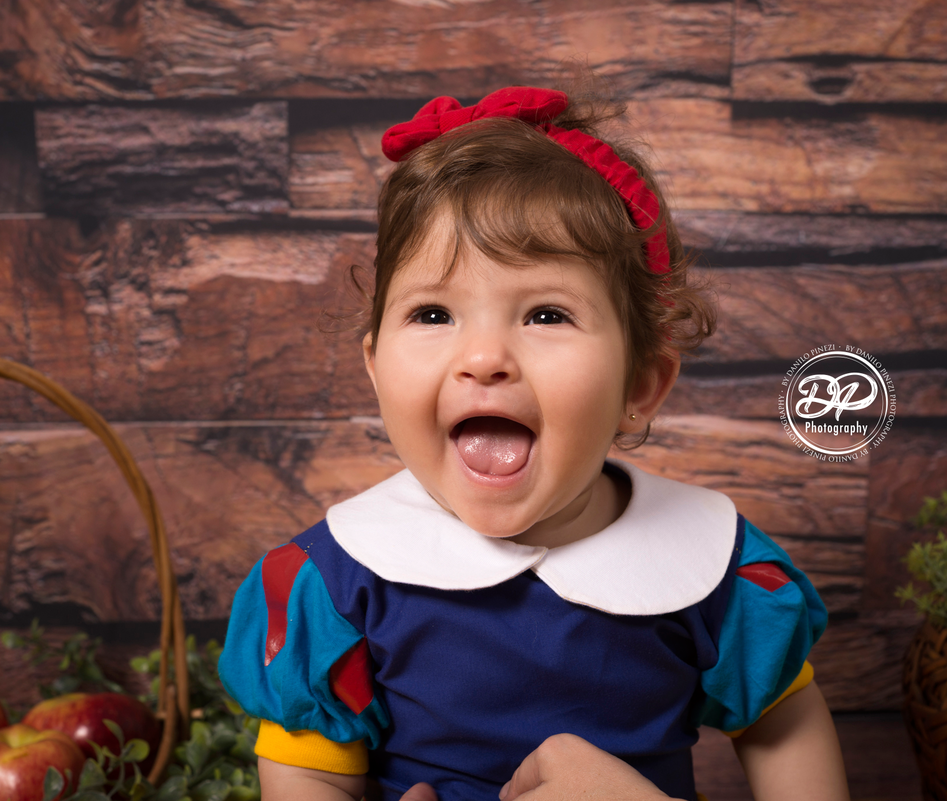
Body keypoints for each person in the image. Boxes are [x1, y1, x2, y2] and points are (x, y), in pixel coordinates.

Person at [218, 85, 849, 801]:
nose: (484, 356)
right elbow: (304, 769)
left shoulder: (714, 571)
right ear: (374, 364)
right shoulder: (338, 586)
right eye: (433, 312)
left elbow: (783, 726)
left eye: (546, 313)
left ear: (641, 382)